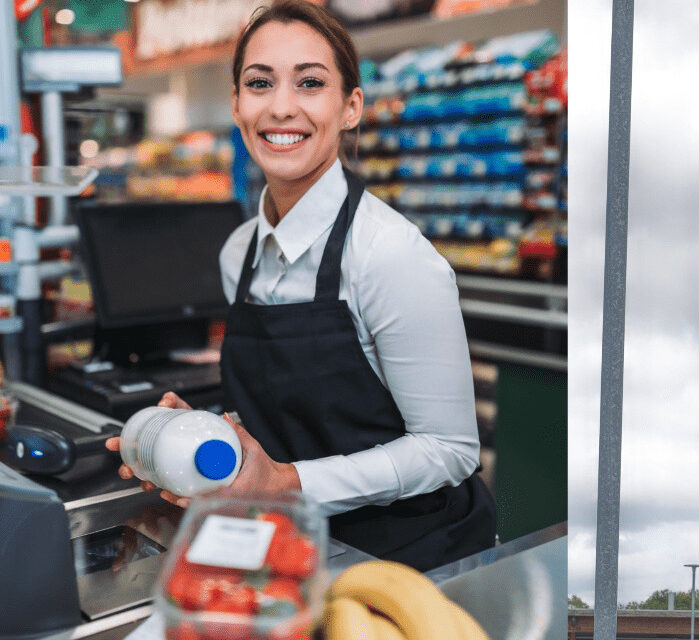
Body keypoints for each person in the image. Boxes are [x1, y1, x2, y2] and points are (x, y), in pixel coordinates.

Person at [105, 0, 496, 571]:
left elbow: (450, 451)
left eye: (310, 83)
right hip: (289, 546)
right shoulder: (238, 252)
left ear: (350, 107)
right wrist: (207, 436)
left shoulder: (390, 255)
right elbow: (292, 414)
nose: (282, 107)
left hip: (412, 559)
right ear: (237, 105)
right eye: (259, 83)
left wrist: (285, 481)